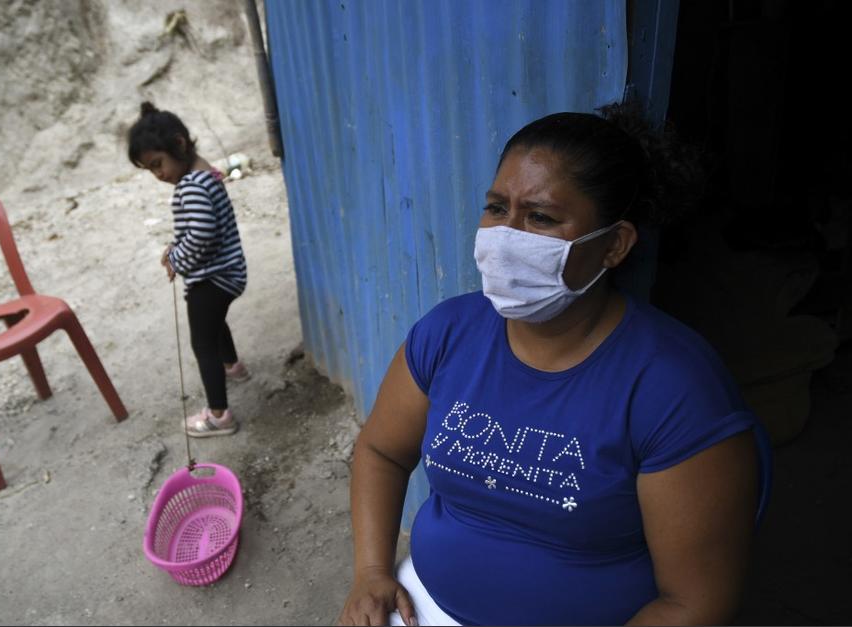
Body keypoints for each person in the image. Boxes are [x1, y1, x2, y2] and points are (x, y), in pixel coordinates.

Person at [338, 102, 770, 626]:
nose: (506, 235)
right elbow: (382, 450)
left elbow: (694, 601)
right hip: (421, 604)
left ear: (613, 245)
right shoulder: (448, 334)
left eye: (539, 217)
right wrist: (371, 571)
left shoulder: (674, 388)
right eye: (497, 208)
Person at [127, 101, 250, 437]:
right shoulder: (205, 173)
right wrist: (176, 246)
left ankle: (219, 416)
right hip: (229, 273)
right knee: (215, 324)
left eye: (158, 164)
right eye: (150, 169)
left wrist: (177, 259)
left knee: (202, 343)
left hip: (213, 278)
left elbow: (201, 232)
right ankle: (233, 367)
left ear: (179, 145)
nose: (158, 175)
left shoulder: (191, 185)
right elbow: (195, 228)